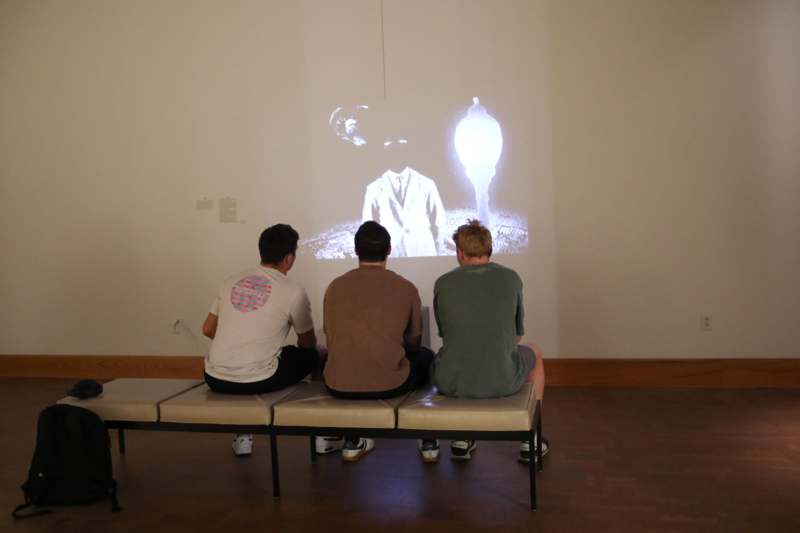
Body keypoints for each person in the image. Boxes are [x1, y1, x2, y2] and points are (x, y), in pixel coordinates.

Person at [201, 224, 335, 456]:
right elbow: (307, 344)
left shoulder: (231, 281)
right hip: (262, 378)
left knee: (255, 365)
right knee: (318, 353)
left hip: (215, 377)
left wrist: (240, 341)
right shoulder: (293, 290)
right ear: (289, 259)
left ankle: (242, 437)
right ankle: (323, 435)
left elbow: (208, 329)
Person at [432, 219, 549, 462]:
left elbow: (447, 335)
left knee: (456, 353)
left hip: (452, 381)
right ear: (490, 249)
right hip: (502, 380)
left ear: (460, 253)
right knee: (535, 351)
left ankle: (462, 438)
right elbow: (517, 335)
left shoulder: (443, 283)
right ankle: (532, 439)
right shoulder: (511, 278)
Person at [323, 221, 439, 462]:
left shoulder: (334, 286)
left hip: (337, 384)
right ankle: (428, 438)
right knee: (427, 357)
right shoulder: (406, 287)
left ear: (356, 250)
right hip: (390, 383)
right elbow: (414, 343)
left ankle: (351, 439)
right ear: (389, 250)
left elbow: (331, 338)